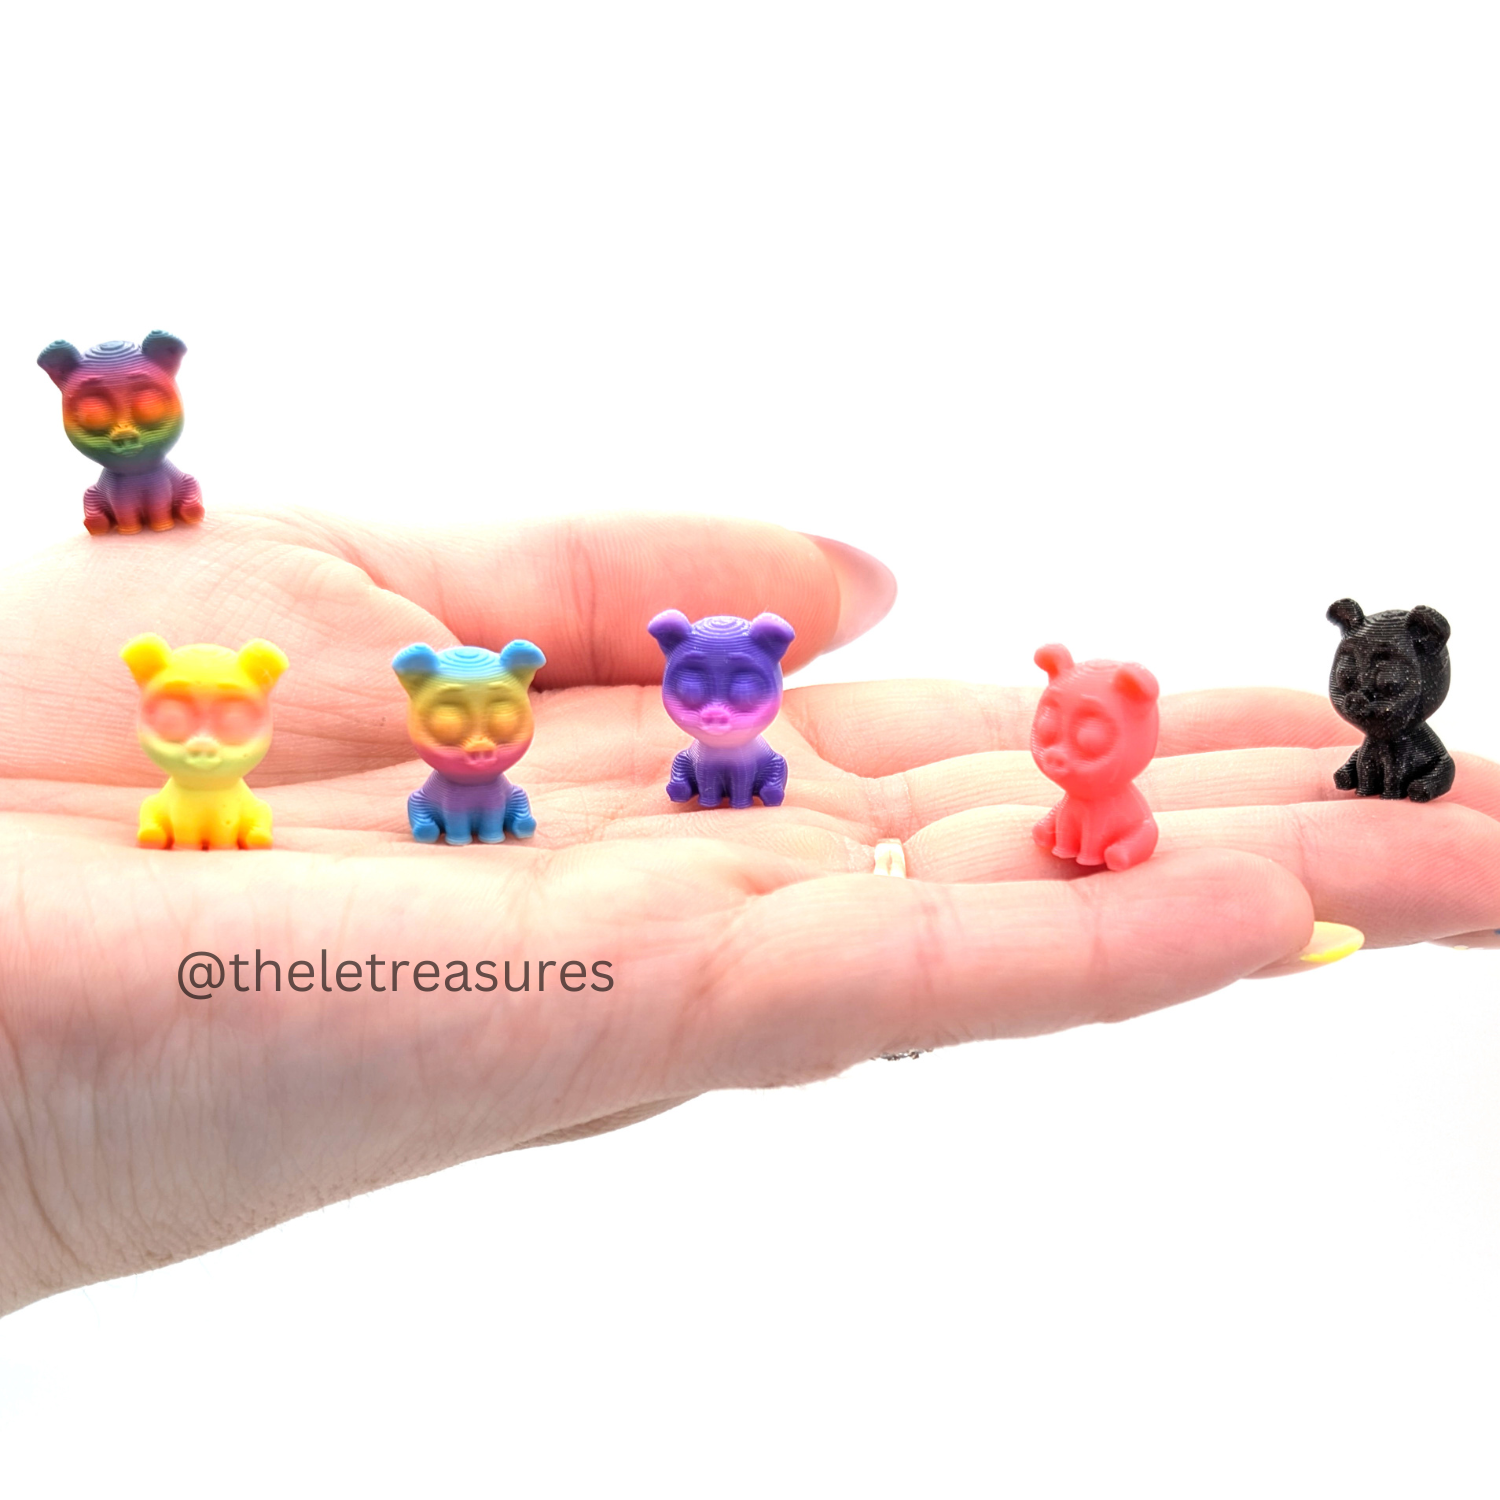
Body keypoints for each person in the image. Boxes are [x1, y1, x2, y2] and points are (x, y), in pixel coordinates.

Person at [0, 508, 1494, 1315]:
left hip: (966, 820)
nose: (1059, 741)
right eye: (1056, 726)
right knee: (505, 804)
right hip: (383, 824)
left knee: (1102, 836)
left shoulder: (766, 737)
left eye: (1083, 732)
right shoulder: (427, 749)